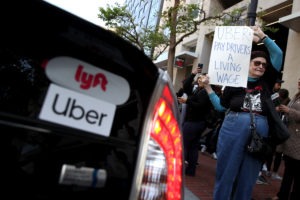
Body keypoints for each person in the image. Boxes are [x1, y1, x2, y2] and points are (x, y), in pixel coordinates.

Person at [201, 26, 284, 200]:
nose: (261, 66)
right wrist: (208, 87)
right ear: (247, 64)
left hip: (259, 132)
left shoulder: (267, 81)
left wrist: (263, 37)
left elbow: (277, 54)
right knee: (226, 172)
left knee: (248, 177)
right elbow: (221, 107)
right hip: (232, 128)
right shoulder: (234, 81)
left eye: (263, 64)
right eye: (257, 63)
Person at [178, 68, 212, 176]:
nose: (201, 79)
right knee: (193, 146)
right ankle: (190, 170)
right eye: (200, 77)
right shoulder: (197, 90)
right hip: (196, 123)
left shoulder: (205, 92)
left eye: (204, 77)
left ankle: (179, 169)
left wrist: (187, 101)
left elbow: (200, 106)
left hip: (194, 123)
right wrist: (193, 74)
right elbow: (186, 86)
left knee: (184, 145)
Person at [272, 78, 300, 200]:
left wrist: (290, 110)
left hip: (298, 142)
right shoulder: (297, 96)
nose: (299, 82)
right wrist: (283, 109)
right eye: (299, 80)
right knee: (288, 171)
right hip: (291, 139)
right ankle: (281, 195)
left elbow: (295, 112)